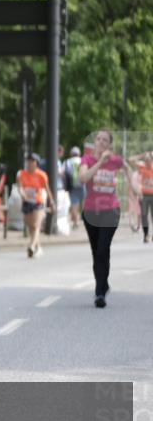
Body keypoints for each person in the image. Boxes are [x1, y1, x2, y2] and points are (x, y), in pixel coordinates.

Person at [78, 129, 132, 308]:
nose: (100, 142)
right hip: (91, 212)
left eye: (104, 140)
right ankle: (103, 284)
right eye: (98, 139)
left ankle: (99, 292)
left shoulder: (115, 160)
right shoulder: (87, 160)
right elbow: (83, 178)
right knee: (97, 253)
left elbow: (127, 167)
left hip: (111, 210)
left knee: (103, 249)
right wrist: (100, 162)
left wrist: (134, 188)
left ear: (109, 145)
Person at [17, 153, 56, 258]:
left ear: (36, 163)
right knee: (30, 226)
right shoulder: (22, 174)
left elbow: (47, 189)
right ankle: (38, 247)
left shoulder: (41, 175)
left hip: (38, 202)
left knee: (36, 225)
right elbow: (20, 187)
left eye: (32, 161)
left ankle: (32, 246)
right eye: (28, 161)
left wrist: (51, 202)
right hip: (27, 201)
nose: (29, 163)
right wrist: (22, 193)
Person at [127, 150, 153, 243]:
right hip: (144, 195)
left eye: (149, 160)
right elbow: (130, 160)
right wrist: (141, 155)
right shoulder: (142, 167)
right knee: (144, 216)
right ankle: (146, 235)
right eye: (146, 160)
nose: (147, 162)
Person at [66, 146, 84, 230]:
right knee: (83, 202)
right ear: (79, 153)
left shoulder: (67, 162)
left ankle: (75, 222)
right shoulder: (82, 160)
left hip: (72, 186)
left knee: (74, 204)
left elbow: (62, 173)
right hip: (83, 184)